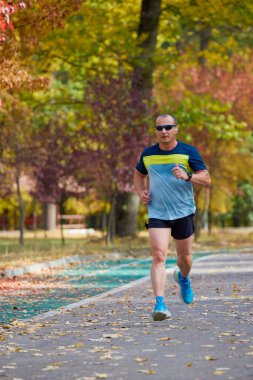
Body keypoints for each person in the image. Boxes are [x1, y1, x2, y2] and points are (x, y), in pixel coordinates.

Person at [134, 113, 211, 321]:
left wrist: (188, 176)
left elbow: (206, 179)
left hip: (184, 211)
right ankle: (159, 305)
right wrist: (140, 192)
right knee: (159, 256)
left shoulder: (188, 152)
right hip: (158, 212)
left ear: (176, 129)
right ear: (155, 131)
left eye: (168, 127)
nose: (164, 131)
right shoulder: (148, 154)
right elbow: (139, 174)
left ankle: (183, 278)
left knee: (184, 259)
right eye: (160, 128)